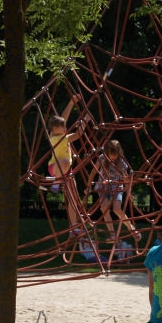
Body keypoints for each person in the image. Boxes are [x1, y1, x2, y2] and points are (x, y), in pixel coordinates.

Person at [46, 97, 87, 233]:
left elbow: (62, 119)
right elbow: (78, 134)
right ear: (55, 128)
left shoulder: (56, 133)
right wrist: (85, 121)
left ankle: (73, 227)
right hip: (55, 168)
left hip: (67, 172)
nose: (65, 128)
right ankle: (56, 182)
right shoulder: (58, 138)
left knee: (74, 199)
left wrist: (70, 103)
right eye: (63, 126)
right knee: (66, 162)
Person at [87, 139, 140, 242]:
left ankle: (132, 229)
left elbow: (126, 180)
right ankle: (112, 235)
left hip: (116, 186)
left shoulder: (122, 162)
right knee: (104, 208)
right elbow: (93, 172)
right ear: (106, 152)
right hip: (103, 186)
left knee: (117, 209)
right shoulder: (102, 158)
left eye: (115, 156)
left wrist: (129, 193)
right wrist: (88, 186)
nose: (113, 158)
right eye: (111, 156)